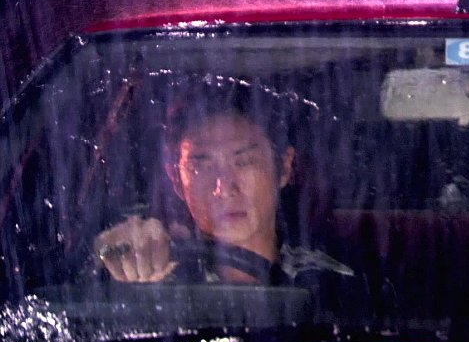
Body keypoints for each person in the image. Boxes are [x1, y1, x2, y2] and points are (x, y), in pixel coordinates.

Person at [93, 76, 370, 319]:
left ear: (284, 168)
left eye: (244, 162)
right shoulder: (155, 282)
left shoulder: (332, 285)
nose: (223, 188)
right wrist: (110, 257)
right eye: (201, 166)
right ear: (176, 179)